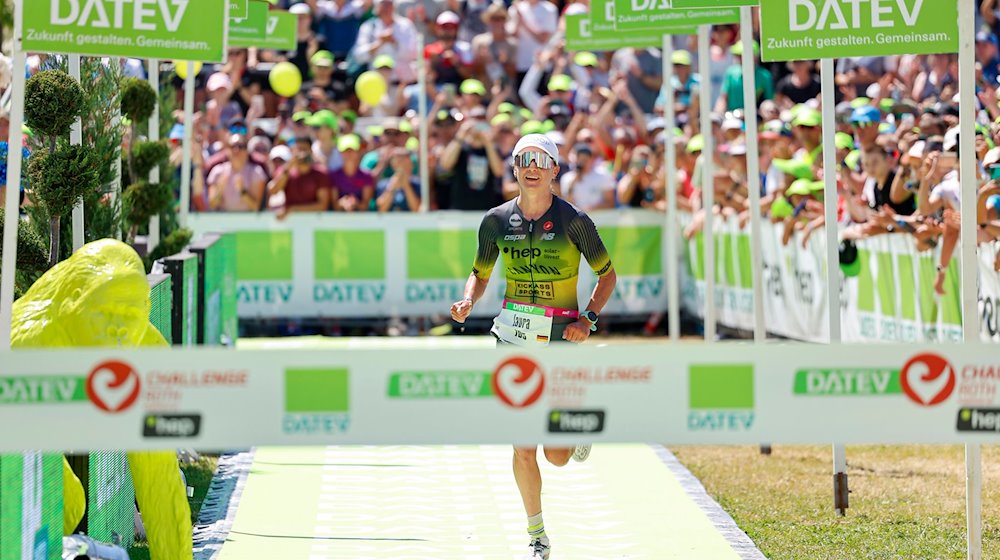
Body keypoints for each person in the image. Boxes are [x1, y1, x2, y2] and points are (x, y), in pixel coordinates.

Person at [449, 133, 617, 560]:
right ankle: (537, 536)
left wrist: (588, 319)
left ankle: (579, 428)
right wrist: (470, 298)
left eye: (542, 160)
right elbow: (481, 272)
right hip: (512, 338)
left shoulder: (575, 220)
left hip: (561, 338)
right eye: (525, 158)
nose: (532, 166)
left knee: (557, 457)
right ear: (515, 167)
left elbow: (607, 275)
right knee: (523, 445)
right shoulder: (495, 220)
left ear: (554, 170)